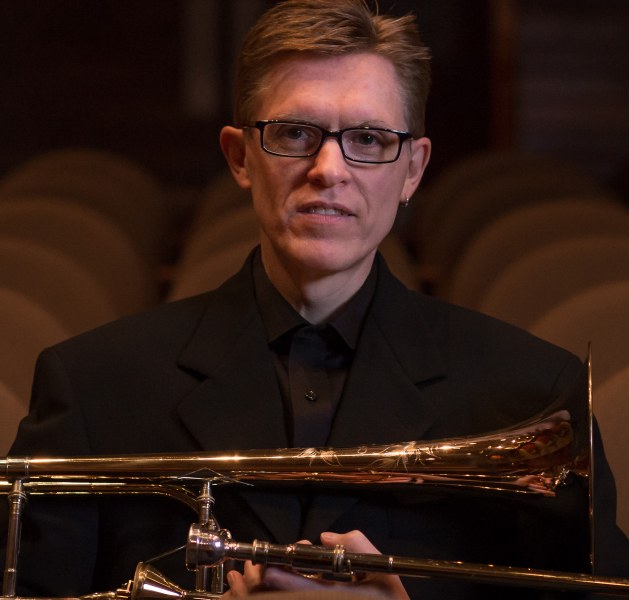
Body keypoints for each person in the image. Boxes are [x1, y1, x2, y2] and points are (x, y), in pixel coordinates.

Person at [1, 1, 628, 598]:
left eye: (371, 138)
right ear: (240, 157)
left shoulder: (536, 395)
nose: (329, 168)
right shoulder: (93, 384)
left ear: (412, 169)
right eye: (296, 133)